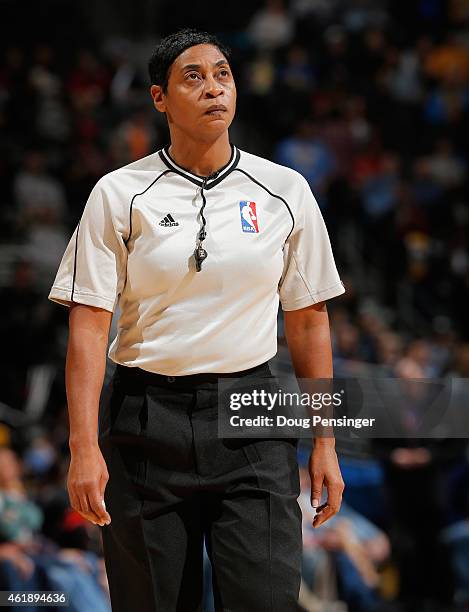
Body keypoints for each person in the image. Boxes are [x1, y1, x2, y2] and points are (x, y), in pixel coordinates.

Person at [47, 28, 346, 612]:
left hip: (252, 413)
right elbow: (87, 328)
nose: (214, 88)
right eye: (194, 77)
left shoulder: (286, 191)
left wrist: (325, 441)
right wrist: (83, 448)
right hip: (142, 419)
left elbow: (310, 322)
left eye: (223, 74)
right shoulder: (118, 193)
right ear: (159, 98)